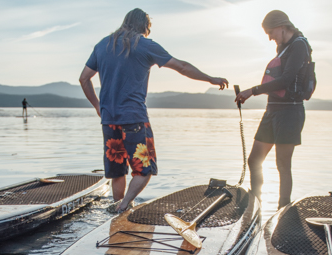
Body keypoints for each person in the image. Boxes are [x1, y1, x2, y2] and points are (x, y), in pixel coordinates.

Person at [79, 8, 229, 213]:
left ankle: (116, 209)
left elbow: (84, 78)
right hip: (134, 119)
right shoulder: (145, 45)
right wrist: (210, 79)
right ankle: (123, 206)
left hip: (108, 119)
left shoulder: (102, 45)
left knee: (117, 171)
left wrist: (98, 106)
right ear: (144, 27)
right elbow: (182, 67)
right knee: (144, 169)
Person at [234, 10, 311, 208]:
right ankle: (255, 204)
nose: (269, 37)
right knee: (254, 160)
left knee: (283, 165)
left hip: (290, 112)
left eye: (270, 32)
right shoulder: (284, 47)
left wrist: (253, 90)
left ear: (281, 26)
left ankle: (282, 208)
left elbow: (286, 80)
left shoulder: (299, 46)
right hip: (272, 111)